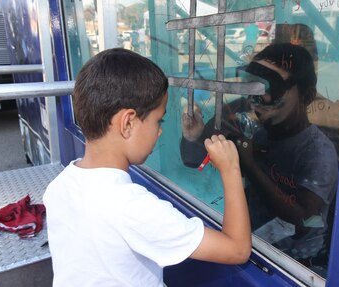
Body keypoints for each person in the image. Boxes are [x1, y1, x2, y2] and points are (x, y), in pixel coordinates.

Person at [43, 48, 251, 287]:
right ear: (128, 123)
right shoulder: (133, 208)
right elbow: (237, 249)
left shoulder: (59, 186)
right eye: (158, 120)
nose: (160, 130)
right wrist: (231, 169)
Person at [181, 43, 338, 262]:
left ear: (307, 96)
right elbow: (193, 161)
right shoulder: (262, 133)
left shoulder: (318, 153)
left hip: (292, 260)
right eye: (252, 86)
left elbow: (305, 219)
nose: (256, 98)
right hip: (255, 242)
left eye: (270, 88)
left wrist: (247, 165)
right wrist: (195, 137)